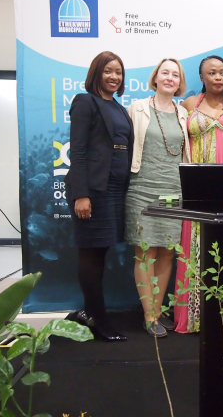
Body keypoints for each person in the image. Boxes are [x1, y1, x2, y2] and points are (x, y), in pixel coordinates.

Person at [174, 55, 223, 333]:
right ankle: (196, 316)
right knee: (197, 242)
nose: (218, 77)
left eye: (222, 73)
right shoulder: (190, 104)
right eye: (212, 73)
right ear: (202, 77)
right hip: (200, 186)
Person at [64, 51, 134, 342]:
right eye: (108, 71)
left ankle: (87, 312)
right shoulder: (85, 101)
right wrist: (81, 194)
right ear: (96, 73)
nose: (114, 76)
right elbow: (77, 151)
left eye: (118, 71)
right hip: (92, 190)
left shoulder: (119, 107)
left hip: (116, 189)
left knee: (102, 250)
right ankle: (97, 318)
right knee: (91, 252)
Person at [125, 58, 191, 338]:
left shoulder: (184, 112)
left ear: (179, 82)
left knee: (166, 251)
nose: (170, 78)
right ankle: (149, 314)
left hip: (173, 189)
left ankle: (158, 308)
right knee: (145, 251)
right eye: (165, 72)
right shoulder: (137, 108)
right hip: (142, 187)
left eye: (175, 75)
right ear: (155, 77)